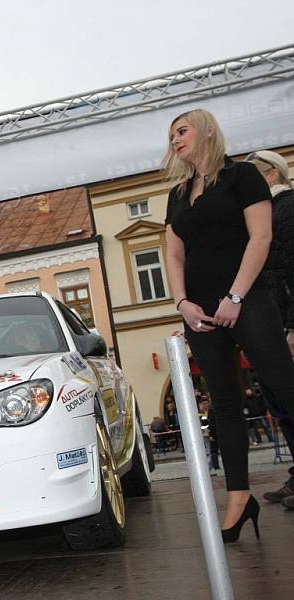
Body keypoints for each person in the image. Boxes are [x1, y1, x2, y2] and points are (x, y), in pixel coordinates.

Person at [164, 108, 294, 542]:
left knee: (284, 385)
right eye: (171, 135)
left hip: (248, 299)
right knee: (223, 405)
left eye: (182, 131)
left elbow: (261, 238)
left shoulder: (242, 177)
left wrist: (235, 297)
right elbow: (174, 254)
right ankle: (239, 497)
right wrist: (182, 302)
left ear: (206, 131)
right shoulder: (179, 192)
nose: (175, 140)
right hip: (200, 313)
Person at [246, 150, 294, 506]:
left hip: (286, 323)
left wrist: (293, 326)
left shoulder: (288, 208)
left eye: (252, 178)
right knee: (280, 404)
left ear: (272, 175)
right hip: (267, 324)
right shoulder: (255, 218)